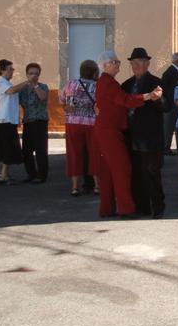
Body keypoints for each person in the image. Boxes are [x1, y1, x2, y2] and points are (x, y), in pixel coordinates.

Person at [95, 50, 162, 218]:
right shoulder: (108, 82)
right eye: (115, 62)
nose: (118, 64)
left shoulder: (107, 82)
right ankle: (125, 208)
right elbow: (125, 100)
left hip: (109, 129)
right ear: (105, 65)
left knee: (109, 170)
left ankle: (107, 208)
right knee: (121, 169)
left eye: (118, 61)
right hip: (111, 130)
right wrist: (148, 96)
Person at [121, 48, 166, 218]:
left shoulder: (156, 82)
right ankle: (142, 206)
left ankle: (158, 206)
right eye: (134, 62)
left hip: (150, 136)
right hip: (132, 136)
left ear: (147, 63)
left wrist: (158, 99)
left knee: (151, 172)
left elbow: (167, 106)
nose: (137, 65)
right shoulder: (126, 85)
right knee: (136, 172)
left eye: (140, 62)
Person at [60, 59, 99, 196]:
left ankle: (75, 187)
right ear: (94, 72)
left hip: (73, 122)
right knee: (94, 153)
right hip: (92, 123)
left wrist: (67, 107)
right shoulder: (97, 86)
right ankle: (97, 186)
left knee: (74, 154)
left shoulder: (70, 84)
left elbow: (62, 100)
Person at [0, 59, 29, 185]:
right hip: (3, 120)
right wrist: (27, 82)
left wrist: (17, 118)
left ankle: (5, 174)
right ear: (2, 70)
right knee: (7, 148)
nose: (12, 71)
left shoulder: (7, 83)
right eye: (10, 69)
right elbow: (11, 91)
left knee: (11, 148)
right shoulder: (1, 83)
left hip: (10, 120)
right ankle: (3, 175)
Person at [19, 63, 49, 183]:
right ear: (27, 74)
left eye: (36, 74)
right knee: (26, 150)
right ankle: (31, 174)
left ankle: (42, 175)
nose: (33, 76)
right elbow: (19, 103)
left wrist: (35, 85)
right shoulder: (23, 89)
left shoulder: (43, 86)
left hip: (40, 121)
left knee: (40, 149)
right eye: (31, 73)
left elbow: (43, 97)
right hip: (28, 121)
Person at [161, 52, 178, 156]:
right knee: (169, 127)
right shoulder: (170, 72)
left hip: (174, 104)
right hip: (171, 104)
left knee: (176, 127)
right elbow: (165, 88)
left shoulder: (175, 71)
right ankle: (166, 148)